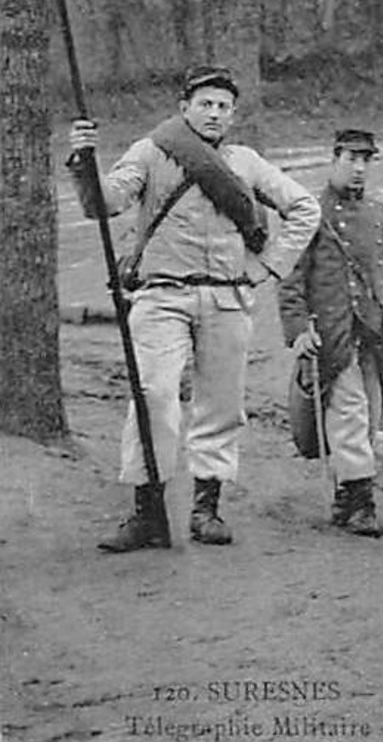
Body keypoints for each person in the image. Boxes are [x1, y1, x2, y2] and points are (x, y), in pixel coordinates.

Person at [67, 66, 320, 552]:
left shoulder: (245, 162)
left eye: (224, 106)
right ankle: (149, 513)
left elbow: (305, 207)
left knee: (221, 404)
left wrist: (270, 267)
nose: (214, 113)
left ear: (233, 115)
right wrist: (84, 160)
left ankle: (207, 509)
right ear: (184, 109)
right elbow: (103, 203)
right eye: (205, 103)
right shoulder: (151, 151)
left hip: (227, 297)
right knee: (154, 395)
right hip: (161, 296)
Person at [278, 129, 383, 538]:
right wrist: (298, 329)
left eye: (366, 160)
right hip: (333, 334)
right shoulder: (309, 213)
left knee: (368, 417)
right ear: (333, 159)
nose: (359, 168)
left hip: (375, 335)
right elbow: (290, 279)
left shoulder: (378, 212)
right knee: (351, 413)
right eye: (351, 158)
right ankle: (362, 505)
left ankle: (344, 497)